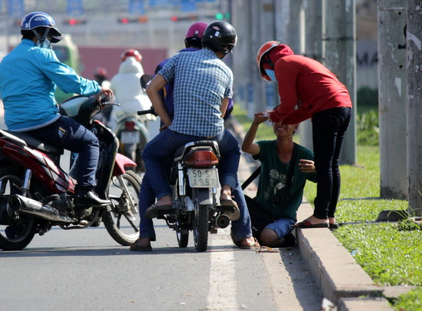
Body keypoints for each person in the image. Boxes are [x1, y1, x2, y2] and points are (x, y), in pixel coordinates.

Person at [131, 21, 256, 251]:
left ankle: (163, 199)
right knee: (232, 152)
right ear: (226, 49)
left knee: (150, 154)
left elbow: (151, 89)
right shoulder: (226, 71)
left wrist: (169, 123)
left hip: (179, 134)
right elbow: (223, 110)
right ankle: (241, 226)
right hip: (214, 134)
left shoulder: (178, 60)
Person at [0, 11, 113, 207]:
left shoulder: (6, 61)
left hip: (15, 126)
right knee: (90, 142)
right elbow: (70, 82)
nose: (50, 42)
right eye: (49, 37)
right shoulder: (40, 54)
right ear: (40, 34)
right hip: (42, 121)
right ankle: (85, 191)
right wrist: (97, 88)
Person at [256, 41, 352, 228]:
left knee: (324, 165)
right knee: (332, 165)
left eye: (266, 71)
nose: (270, 75)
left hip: (327, 109)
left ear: (268, 61)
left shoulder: (283, 63)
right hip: (343, 106)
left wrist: (273, 115)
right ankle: (329, 215)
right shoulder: (300, 63)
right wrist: (282, 118)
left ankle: (320, 215)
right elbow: (304, 111)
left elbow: (288, 102)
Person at [241, 112, 316, 247]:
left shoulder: (304, 155)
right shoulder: (266, 148)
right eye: (276, 120)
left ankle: (287, 238)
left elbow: (325, 180)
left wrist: (317, 169)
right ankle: (257, 236)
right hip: (260, 213)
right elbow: (246, 147)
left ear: (296, 126)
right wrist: (256, 123)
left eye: (286, 120)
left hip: (284, 218)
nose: (280, 124)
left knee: (267, 237)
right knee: (237, 237)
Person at [108, 49, 153, 134]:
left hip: (121, 112)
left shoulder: (116, 78)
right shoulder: (143, 77)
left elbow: (110, 94)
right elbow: (150, 92)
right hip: (140, 111)